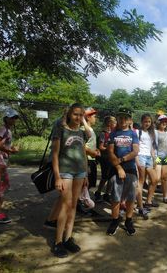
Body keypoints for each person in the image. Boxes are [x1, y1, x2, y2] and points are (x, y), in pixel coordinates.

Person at [51, 103, 88, 257]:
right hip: (65, 172)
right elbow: (54, 154)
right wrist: (57, 177)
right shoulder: (60, 129)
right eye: (76, 114)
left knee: (73, 205)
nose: (78, 118)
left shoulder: (81, 132)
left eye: (81, 115)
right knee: (65, 206)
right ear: (70, 114)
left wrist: (86, 173)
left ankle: (68, 238)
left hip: (80, 172)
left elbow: (83, 153)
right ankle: (58, 242)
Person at [106, 107, 139, 236]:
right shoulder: (113, 134)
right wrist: (119, 167)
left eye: (125, 117)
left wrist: (122, 159)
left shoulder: (133, 134)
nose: (123, 120)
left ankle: (128, 221)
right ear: (117, 119)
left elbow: (135, 151)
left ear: (129, 120)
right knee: (115, 197)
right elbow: (110, 152)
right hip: (116, 169)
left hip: (130, 168)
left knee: (131, 197)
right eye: (120, 117)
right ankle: (115, 220)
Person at [0, 108, 19, 224]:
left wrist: (10, 150)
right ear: (6, 118)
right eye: (12, 117)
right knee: (0, 186)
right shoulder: (2, 129)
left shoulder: (7, 130)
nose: (14, 120)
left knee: (0, 186)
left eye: (15, 117)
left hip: (1, 161)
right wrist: (9, 151)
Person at [135, 114, 158, 217]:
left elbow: (152, 148)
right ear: (142, 122)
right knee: (141, 180)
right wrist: (136, 160)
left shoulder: (151, 133)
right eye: (145, 121)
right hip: (141, 157)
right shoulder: (137, 132)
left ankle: (148, 201)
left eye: (149, 122)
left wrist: (155, 159)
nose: (147, 123)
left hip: (149, 158)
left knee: (155, 179)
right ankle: (140, 206)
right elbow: (135, 146)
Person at [94, 116, 117, 203]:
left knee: (111, 177)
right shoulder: (103, 134)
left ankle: (107, 194)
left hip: (112, 158)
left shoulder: (114, 133)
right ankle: (98, 193)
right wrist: (109, 148)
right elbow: (101, 147)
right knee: (105, 177)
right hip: (105, 158)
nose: (115, 124)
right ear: (109, 123)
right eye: (114, 123)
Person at [154, 114, 167, 204]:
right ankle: (151, 197)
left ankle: (165, 197)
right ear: (159, 122)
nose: (164, 123)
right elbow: (153, 145)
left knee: (165, 178)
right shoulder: (155, 132)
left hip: (165, 157)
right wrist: (154, 157)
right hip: (157, 157)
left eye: (166, 122)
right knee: (157, 178)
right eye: (162, 121)